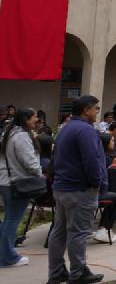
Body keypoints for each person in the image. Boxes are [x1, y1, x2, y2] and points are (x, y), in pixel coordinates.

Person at [48, 95, 106, 284]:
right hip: (80, 189)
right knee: (78, 233)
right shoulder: (85, 130)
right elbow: (92, 160)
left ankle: (57, 273)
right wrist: (96, 183)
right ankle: (78, 273)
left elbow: (55, 158)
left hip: (62, 187)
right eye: (96, 109)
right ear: (86, 110)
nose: (98, 112)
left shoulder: (65, 128)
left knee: (60, 231)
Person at [0, 106, 41, 268]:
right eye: (35, 117)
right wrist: (40, 174)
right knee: (12, 220)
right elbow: (30, 163)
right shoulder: (22, 136)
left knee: (9, 218)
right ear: (26, 119)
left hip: (6, 181)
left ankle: (5, 253)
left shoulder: (9, 133)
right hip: (17, 183)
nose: (37, 120)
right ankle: (8, 257)